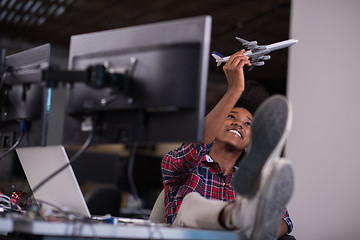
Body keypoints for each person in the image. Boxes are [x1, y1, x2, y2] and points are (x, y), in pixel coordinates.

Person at [161, 50, 294, 239]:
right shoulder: (182, 167)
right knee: (190, 204)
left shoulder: (249, 181)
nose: (238, 124)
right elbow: (198, 143)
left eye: (248, 124)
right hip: (187, 236)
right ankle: (241, 216)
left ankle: (247, 219)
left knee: (271, 213)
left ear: (251, 143)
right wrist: (234, 90)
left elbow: (283, 220)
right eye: (231, 116)